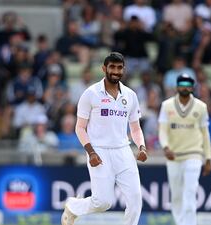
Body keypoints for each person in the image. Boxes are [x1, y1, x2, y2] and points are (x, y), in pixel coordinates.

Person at [61, 52, 148, 225]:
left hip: (123, 150)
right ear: (104, 68)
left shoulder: (130, 95)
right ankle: (73, 206)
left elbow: (135, 128)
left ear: (124, 69)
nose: (116, 71)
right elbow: (80, 127)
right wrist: (91, 152)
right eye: (112, 67)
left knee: (136, 198)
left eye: (119, 67)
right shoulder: (91, 93)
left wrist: (142, 147)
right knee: (103, 202)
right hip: (99, 151)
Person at [158, 74, 211, 225]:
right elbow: (162, 130)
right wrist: (165, 147)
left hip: (193, 155)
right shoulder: (166, 106)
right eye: (181, 83)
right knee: (176, 196)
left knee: (189, 194)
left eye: (188, 84)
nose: (185, 87)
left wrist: (208, 158)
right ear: (176, 86)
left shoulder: (201, 107)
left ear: (193, 87)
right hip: (173, 156)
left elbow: (205, 133)